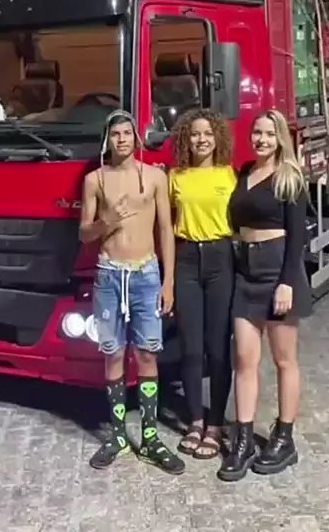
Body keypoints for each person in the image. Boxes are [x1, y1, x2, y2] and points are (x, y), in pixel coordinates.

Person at [79, 109, 185, 475]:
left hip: (146, 275)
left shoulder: (155, 176)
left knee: (147, 353)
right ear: (107, 140)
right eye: (116, 134)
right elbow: (84, 233)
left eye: (127, 133)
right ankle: (119, 436)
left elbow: (166, 230)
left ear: (136, 138)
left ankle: (151, 437)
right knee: (112, 354)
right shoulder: (95, 180)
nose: (122, 139)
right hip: (109, 275)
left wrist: (168, 281)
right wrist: (104, 223)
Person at [218, 109, 312, 482]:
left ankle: (284, 438)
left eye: (269, 134)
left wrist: (287, 282)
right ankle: (242, 441)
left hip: (278, 271)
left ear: (280, 139)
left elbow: (298, 236)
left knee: (284, 360)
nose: (261, 139)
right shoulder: (244, 172)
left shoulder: (290, 177)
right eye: (257, 133)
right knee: (244, 358)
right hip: (246, 270)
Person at [169, 108, 236, 459]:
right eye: (195, 133)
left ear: (217, 137)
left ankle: (216, 424)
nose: (201, 139)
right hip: (186, 260)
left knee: (218, 348)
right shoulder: (175, 177)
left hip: (221, 259)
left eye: (208, 133)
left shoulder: (230, 175)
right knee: (191, 347)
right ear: (186, 139)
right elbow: (164, 225)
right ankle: (196, 421)